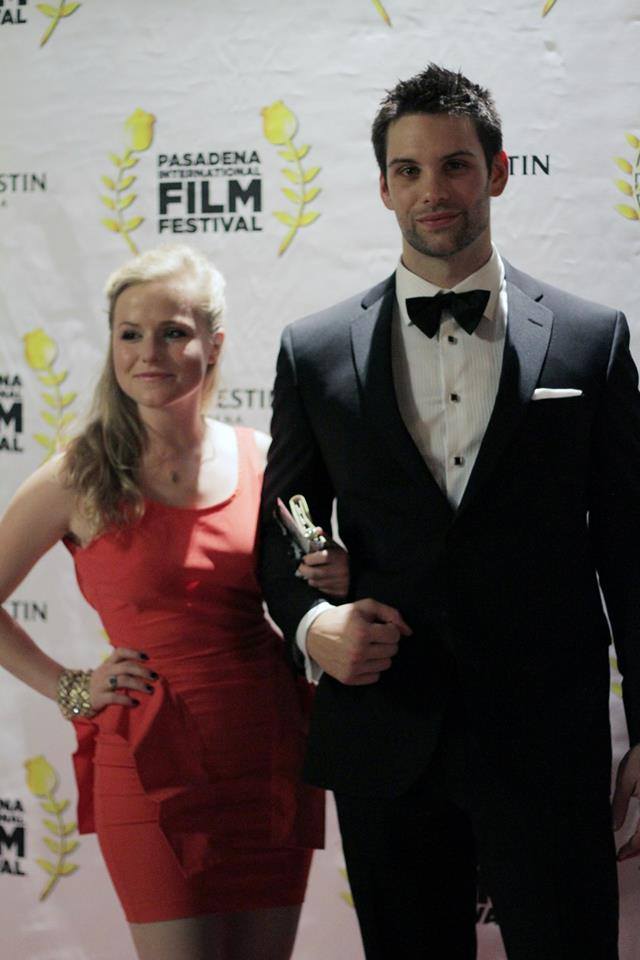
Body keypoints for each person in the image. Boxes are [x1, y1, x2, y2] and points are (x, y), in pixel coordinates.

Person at [258, 64, 640, 960]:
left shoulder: (593, 337)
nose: (436, 191)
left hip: (546, 735)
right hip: (388, 727)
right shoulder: (313, 352)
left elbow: (631, 548)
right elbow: (284, 530)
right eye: (411, 170)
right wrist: (315, 626)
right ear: (383, 185)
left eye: (458, 165)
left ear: (499, 171)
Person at [0, 244, 349, 960]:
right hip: (148, 765)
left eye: (173, 332)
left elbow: (308, 588)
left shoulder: (261, 457)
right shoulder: (78, 473)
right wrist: (69, 687)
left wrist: (337, 575)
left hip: (269, 754)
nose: (149, 352)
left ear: (213, 346)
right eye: (130, 333)